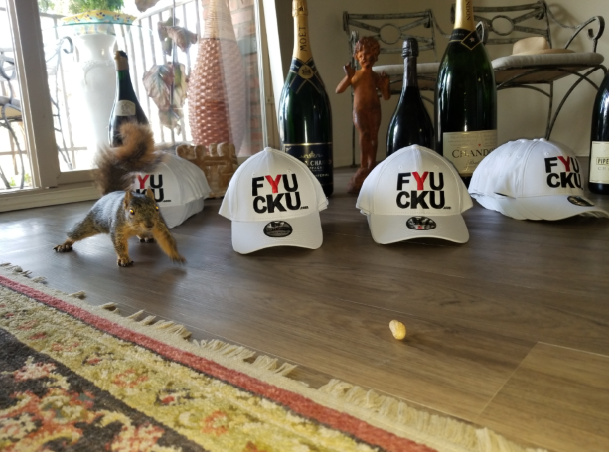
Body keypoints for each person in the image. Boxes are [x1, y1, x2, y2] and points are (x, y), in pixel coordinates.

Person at [336, 36, 390, 194]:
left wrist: (385, 85)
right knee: (365, 133)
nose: (367, 58)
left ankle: (372, 165)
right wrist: (348, 76)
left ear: (376, 57)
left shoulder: (375, 76)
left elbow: (386, 96)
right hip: (360, 110)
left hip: (375, 109)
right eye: (362, 55)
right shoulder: (355, 75)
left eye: (371, 55)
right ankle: (363, 165)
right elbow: (338, 90)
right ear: (356, 57)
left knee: (374, 136)